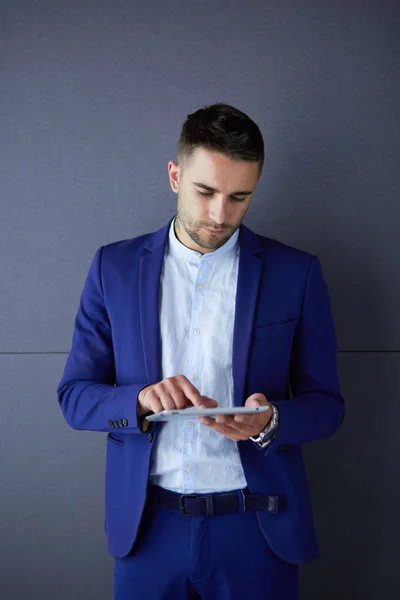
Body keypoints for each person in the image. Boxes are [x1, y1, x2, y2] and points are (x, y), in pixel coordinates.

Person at [57, 102, 345, 600]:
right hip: (148, 532)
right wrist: (141, 400)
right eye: (205, 191)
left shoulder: (295, 273)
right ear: (175, 175)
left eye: (239, 197)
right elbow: (75, 397)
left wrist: (272, 421)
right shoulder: (114, 268)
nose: (219, 215)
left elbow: (328, 406)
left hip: (258, 530)